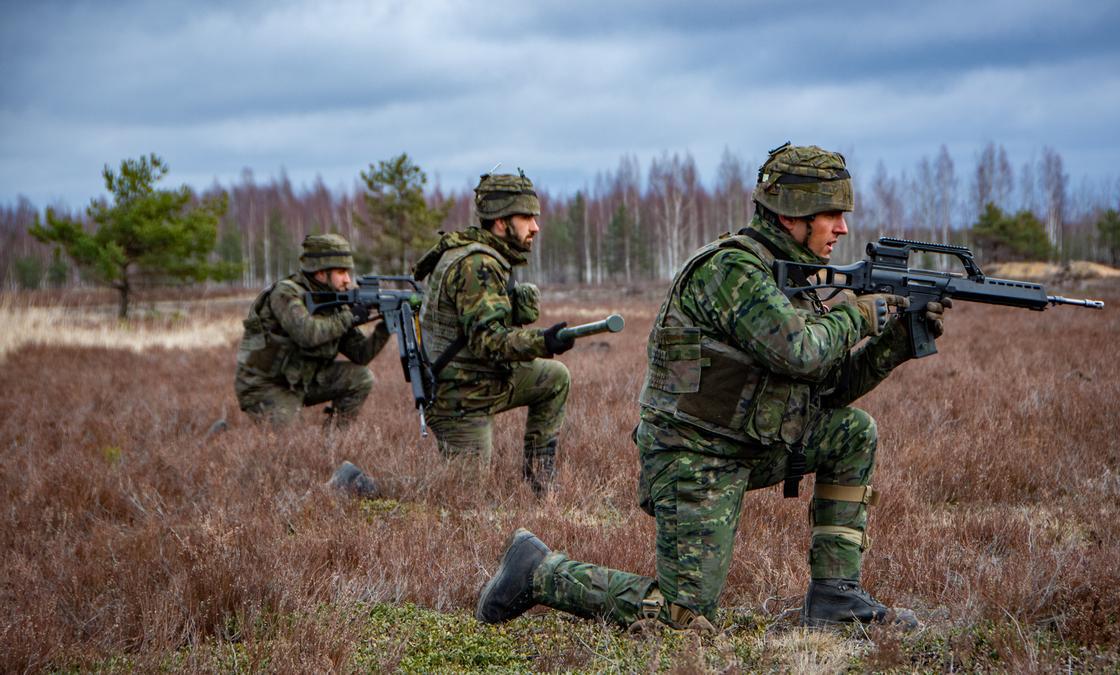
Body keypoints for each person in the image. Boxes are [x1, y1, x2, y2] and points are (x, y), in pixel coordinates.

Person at [475, 144, 951, 631]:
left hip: (747, 443)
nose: (843, 228)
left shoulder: (792, 280)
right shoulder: (732, 271)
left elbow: (823, 386)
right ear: (792, 216)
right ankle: (538, 571)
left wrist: (893, 345)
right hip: (693, 456)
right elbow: (801, 352)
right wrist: (859, 313)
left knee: (851, 432)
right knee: (684, 616)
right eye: (831, 214)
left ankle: (835, 598)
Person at [411, 170, 575, 494]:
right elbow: (489, 342)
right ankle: (358, 486)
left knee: (555, 378)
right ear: (500, 221)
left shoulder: (480, 255)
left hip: (481, 381)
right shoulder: (477, 264)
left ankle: (541, 482)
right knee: (468, 506)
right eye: (527, 217)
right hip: (460, 399)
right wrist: (542, 341)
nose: (535, 227)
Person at [235, 233, 390, 430]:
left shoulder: (335, 301)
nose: (348, 280)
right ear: (320, 273)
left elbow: (360, 354)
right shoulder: (286, 293)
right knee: (294, 444)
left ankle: (333, 444)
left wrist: (384, 326)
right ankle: (221, 431)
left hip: (304, 380)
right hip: (266, 386)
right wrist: (351, 316)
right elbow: (307, 334)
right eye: (341, 272)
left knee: (361, 377)